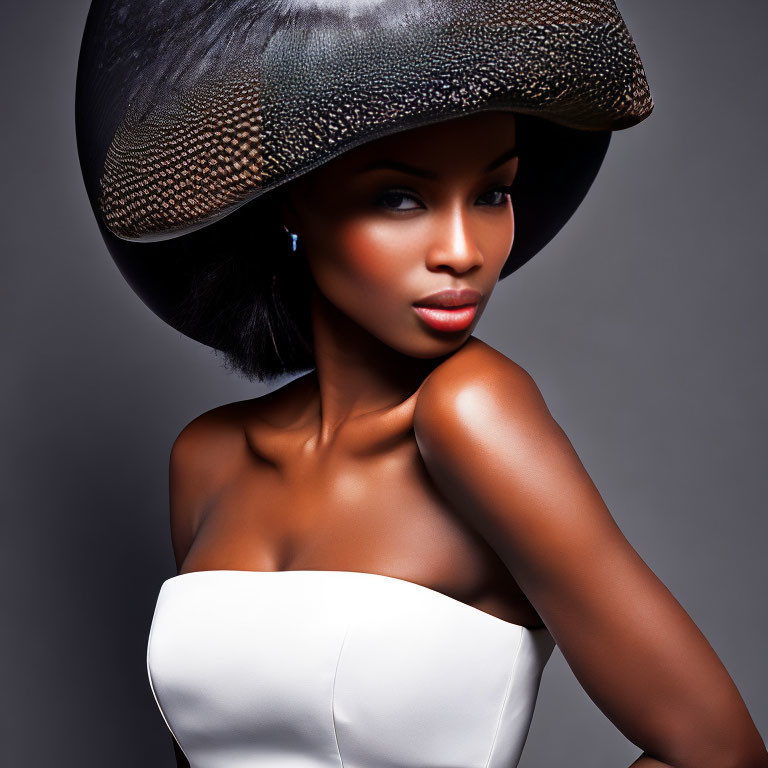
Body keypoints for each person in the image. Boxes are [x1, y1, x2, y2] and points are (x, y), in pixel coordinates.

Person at [75, 1, 768, 767]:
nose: (464, 251)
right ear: (290, 201)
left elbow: (716, 751)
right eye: (400, 198)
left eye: (492, 192)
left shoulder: (471, 413)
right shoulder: (207, 460)